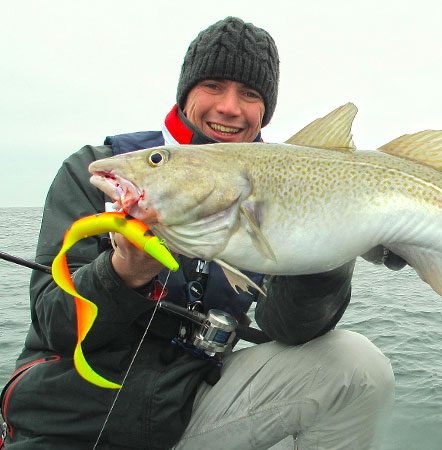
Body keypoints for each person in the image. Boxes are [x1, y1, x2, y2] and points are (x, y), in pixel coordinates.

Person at [0, 17, 398, 450]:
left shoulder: (275, 189)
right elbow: (53, 324)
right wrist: (121, 273)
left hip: (188, 413)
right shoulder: (104, 169)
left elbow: (287, 329)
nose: (229, 107)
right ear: (185, 92)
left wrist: (330, 248)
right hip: (66, 423)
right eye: (212, 85)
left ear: (264, 110)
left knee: (357, 366)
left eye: (249, 94)